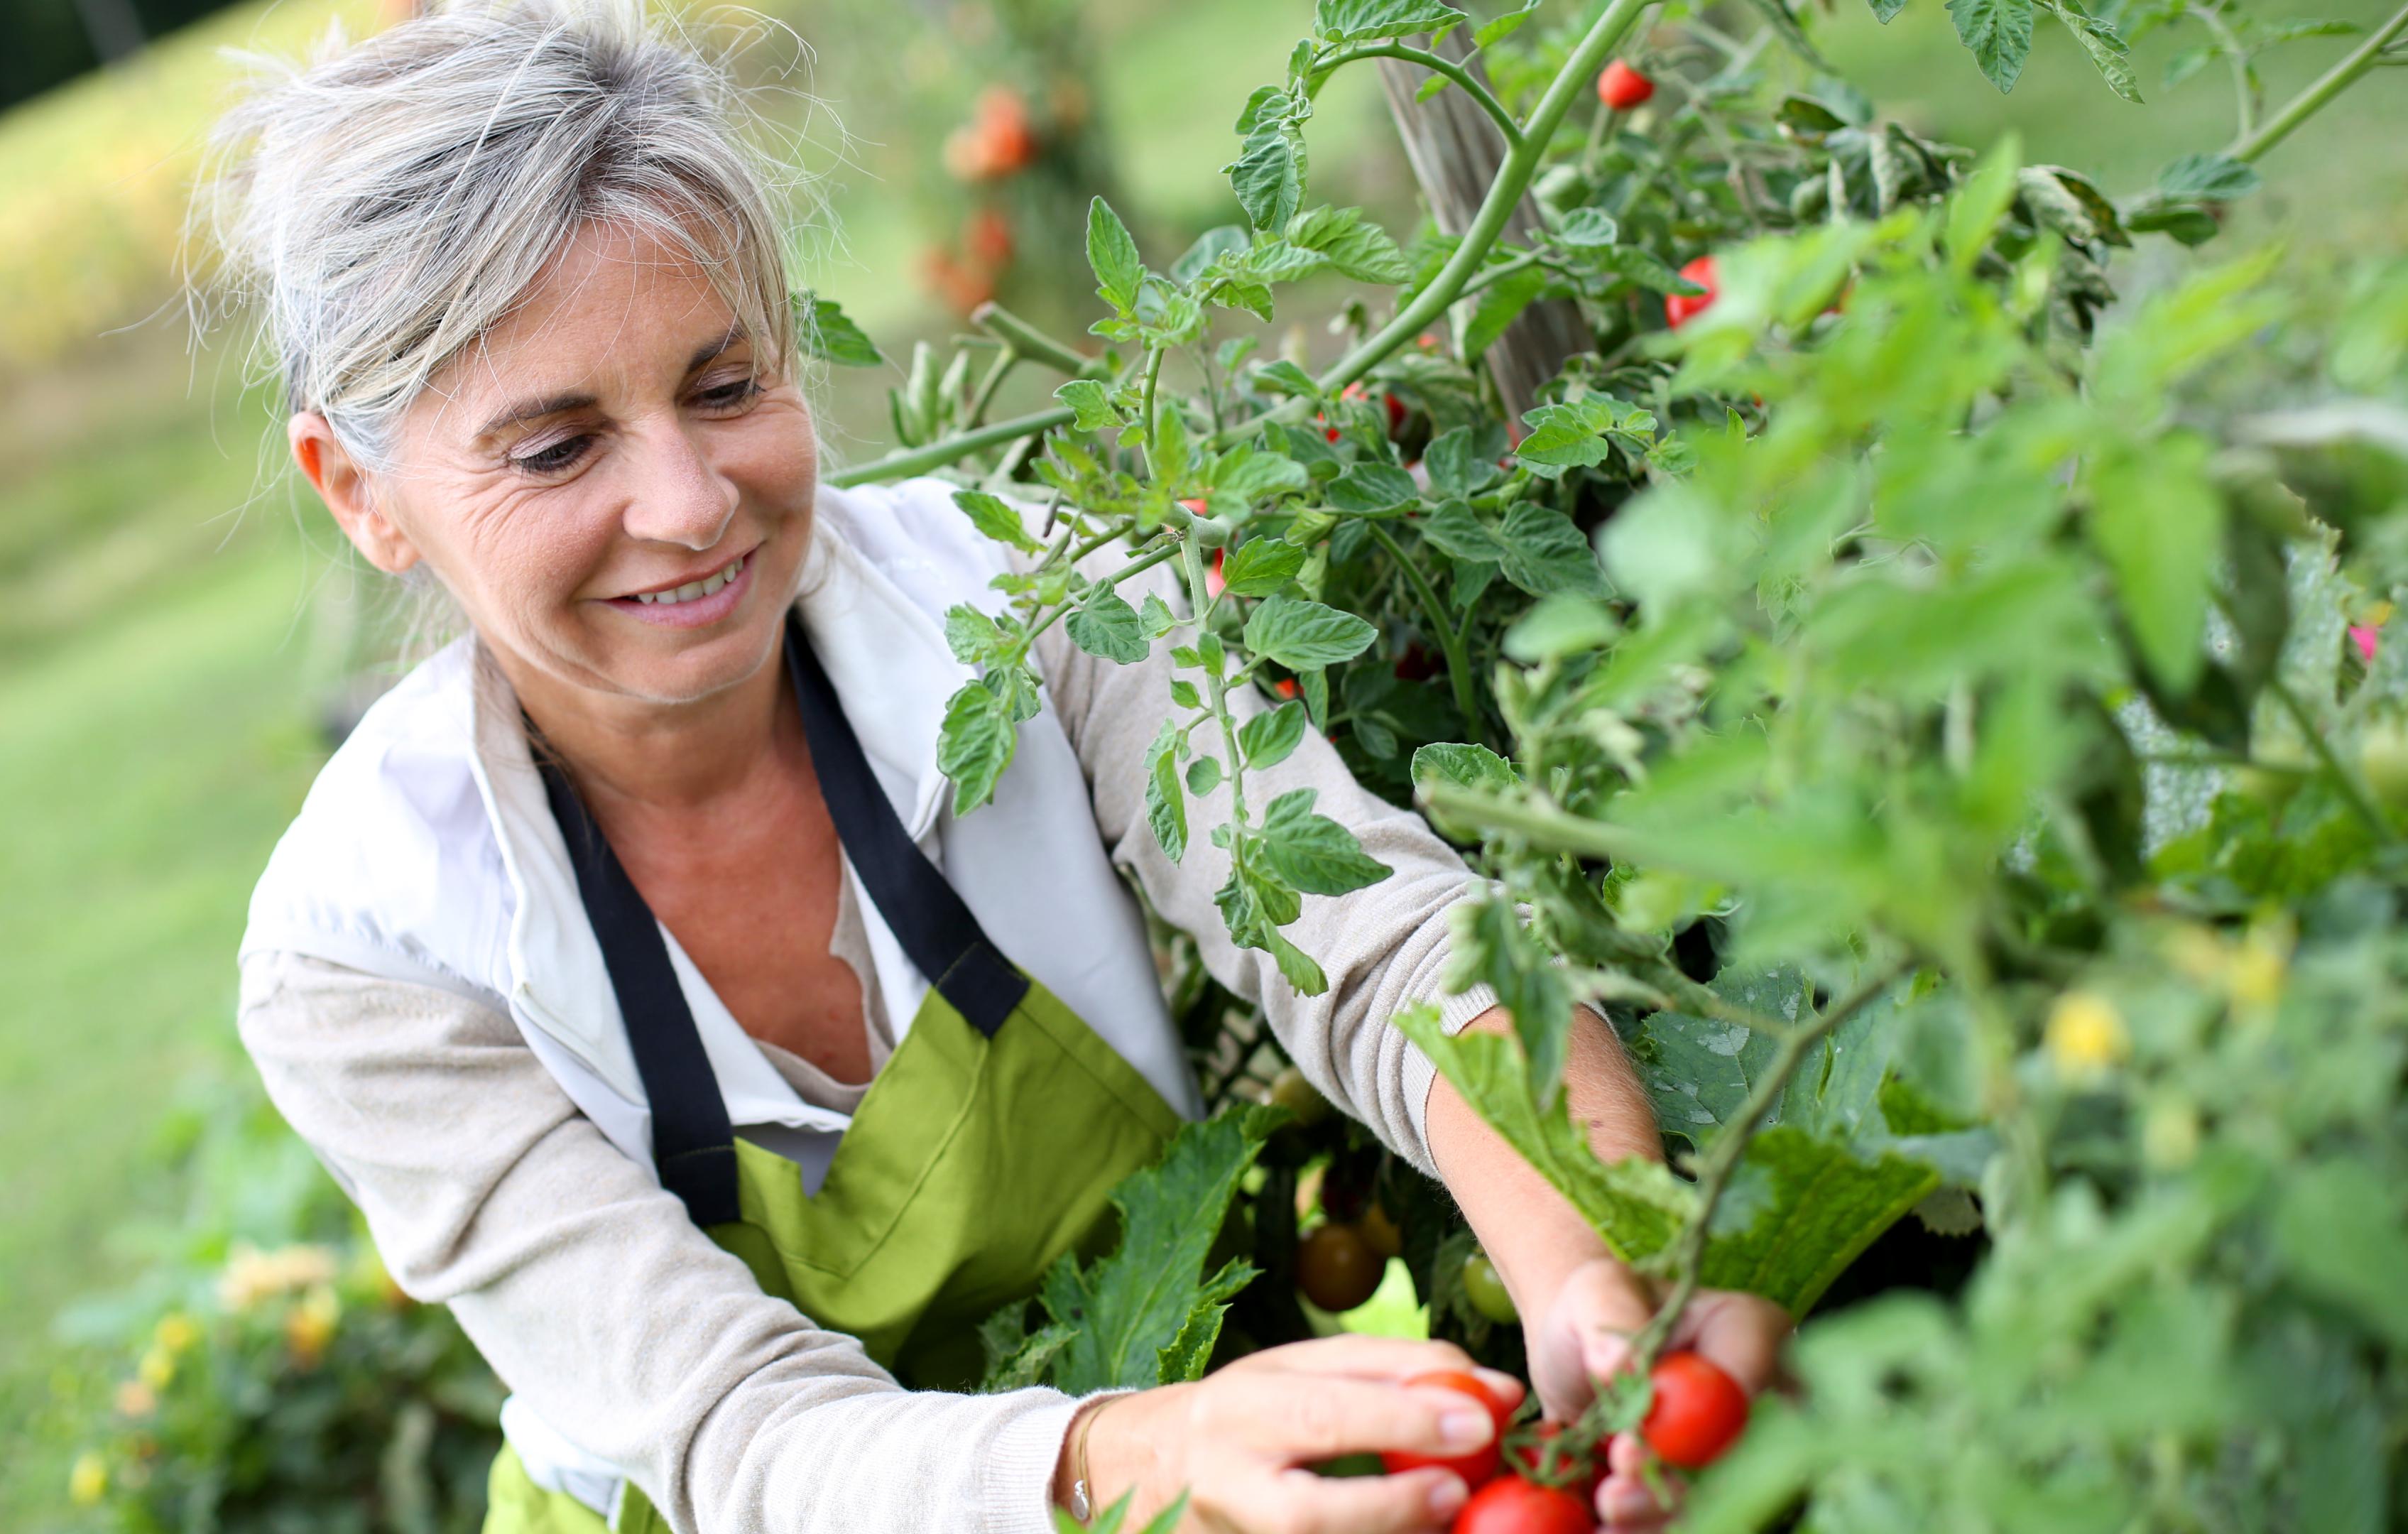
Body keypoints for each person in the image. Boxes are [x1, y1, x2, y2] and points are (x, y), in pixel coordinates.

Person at [205, 4, 1787, 1530]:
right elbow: (732, 1436)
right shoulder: (369, 956)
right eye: (558, 448)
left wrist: (1592, 1264)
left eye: (725, 385)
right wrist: (1119, 1458)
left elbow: (1381, 953)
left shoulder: (1033, 601)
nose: (690, 503)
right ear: (363, 492)